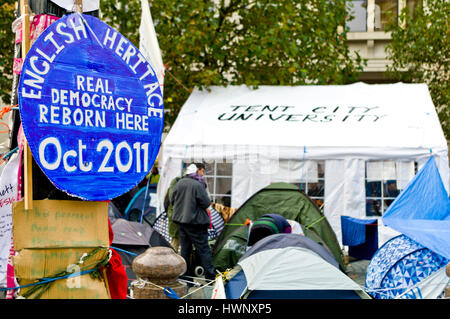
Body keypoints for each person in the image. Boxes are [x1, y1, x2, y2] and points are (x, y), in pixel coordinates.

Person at [171, 163, 216, 280]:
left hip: (181, 222)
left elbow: (172, 200)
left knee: (185, 250)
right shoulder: (197, 184)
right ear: (196, 172)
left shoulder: (179, 183)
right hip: (196, 223)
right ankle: (210, 277)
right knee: (203, 250)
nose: (203, 174)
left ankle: (185, 277)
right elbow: (206, 203)